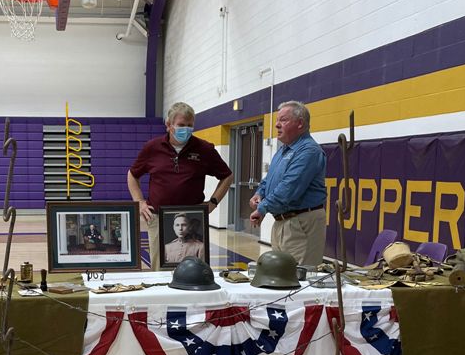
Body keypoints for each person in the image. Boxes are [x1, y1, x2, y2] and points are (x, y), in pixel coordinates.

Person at [128, 102, 233, 270]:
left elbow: (227, 176)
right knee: (159, 270)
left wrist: (213, 203)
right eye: (181, 125)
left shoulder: (204, 149)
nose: (186, 129)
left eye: (190, 125)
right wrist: (139, 202)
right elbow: (133, 175)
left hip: (193, 219)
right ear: (169, 125)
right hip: (158, 218)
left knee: (194, 270)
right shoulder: (152, 148)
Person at [249, 101, 327, 267]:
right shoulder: (283, 151)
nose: (277, 124)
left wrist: (262, 208)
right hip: (282, 222)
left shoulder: (309, 151)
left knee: (300, 276)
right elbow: (269, 179)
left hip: (301, 223)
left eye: (283, 120)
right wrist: (259, 193)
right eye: (277, 120)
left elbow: (289, 188)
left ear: (300, 123)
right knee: (280, 274)